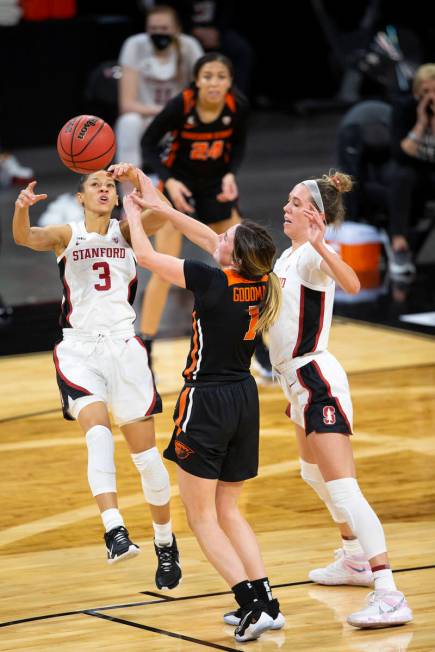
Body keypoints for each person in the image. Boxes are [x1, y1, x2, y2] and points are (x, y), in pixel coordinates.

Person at [118, 166, 284, 643]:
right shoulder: (262, 280)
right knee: (229, 510)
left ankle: (250, 604)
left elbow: (146, 253)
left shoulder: (210, 281)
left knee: (201, 516)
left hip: (206, 401)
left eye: (225, 236)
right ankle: (267, 601)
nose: (217, 236)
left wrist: (131, 207)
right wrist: (147, 188)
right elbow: (194, 229)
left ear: (231, 252)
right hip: (244, 400)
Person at [12, 169, 182, 590]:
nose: (104, 189)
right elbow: (24, 238)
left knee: (146, 460)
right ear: (81, 197)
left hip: (125, 348)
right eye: (95, 185)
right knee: (98, 433)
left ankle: (165, 542)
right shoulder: (66, 235)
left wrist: (139, 180)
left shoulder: (129, 231)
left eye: (109, 185)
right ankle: (114, 530)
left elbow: (167, 211)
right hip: (80, 348)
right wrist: (20, 211)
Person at [268, 171, 413, 629]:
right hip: (293, 380)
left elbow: (351, 282)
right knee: (311, 472)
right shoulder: (288, 257)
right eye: (288, 200)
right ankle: (353, 558)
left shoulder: (312, 255)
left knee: (344, 486)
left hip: (316, 377)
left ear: (316, 215)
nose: (286, 207)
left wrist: (321, 242)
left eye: (296, 202)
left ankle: (389, 592)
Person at [140, 51, 272, 377]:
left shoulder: (236, 106)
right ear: (197, 80)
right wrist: (168, 181)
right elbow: (147, 144)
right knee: (161, 268)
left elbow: (238, 146)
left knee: (249, 265)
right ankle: (145, 347)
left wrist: (231, 173)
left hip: (215, 187)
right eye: (208, 76)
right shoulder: (181, 106)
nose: (214, 83)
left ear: (229, 82)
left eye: (221, 76)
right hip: (180, 189)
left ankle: (260, 345)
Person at [115, 4, 203, 170]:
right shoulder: (134, 45)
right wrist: (163, 111)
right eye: (153, 28)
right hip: (147, 118)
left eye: (164, 28)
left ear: (177, 29)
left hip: (179, 117)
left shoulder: (189, 46)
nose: (159, 33)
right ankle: (129, 190)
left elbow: (201, 91)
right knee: (128, 122)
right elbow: (126, 104)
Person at [387, 63, 435, 275]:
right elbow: (400, 153)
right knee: (402, 176)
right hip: (413, 171)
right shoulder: (405, 108)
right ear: (416, 93)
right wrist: (422, 123)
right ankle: (399, 244)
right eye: (426, 92)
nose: (431, 96)